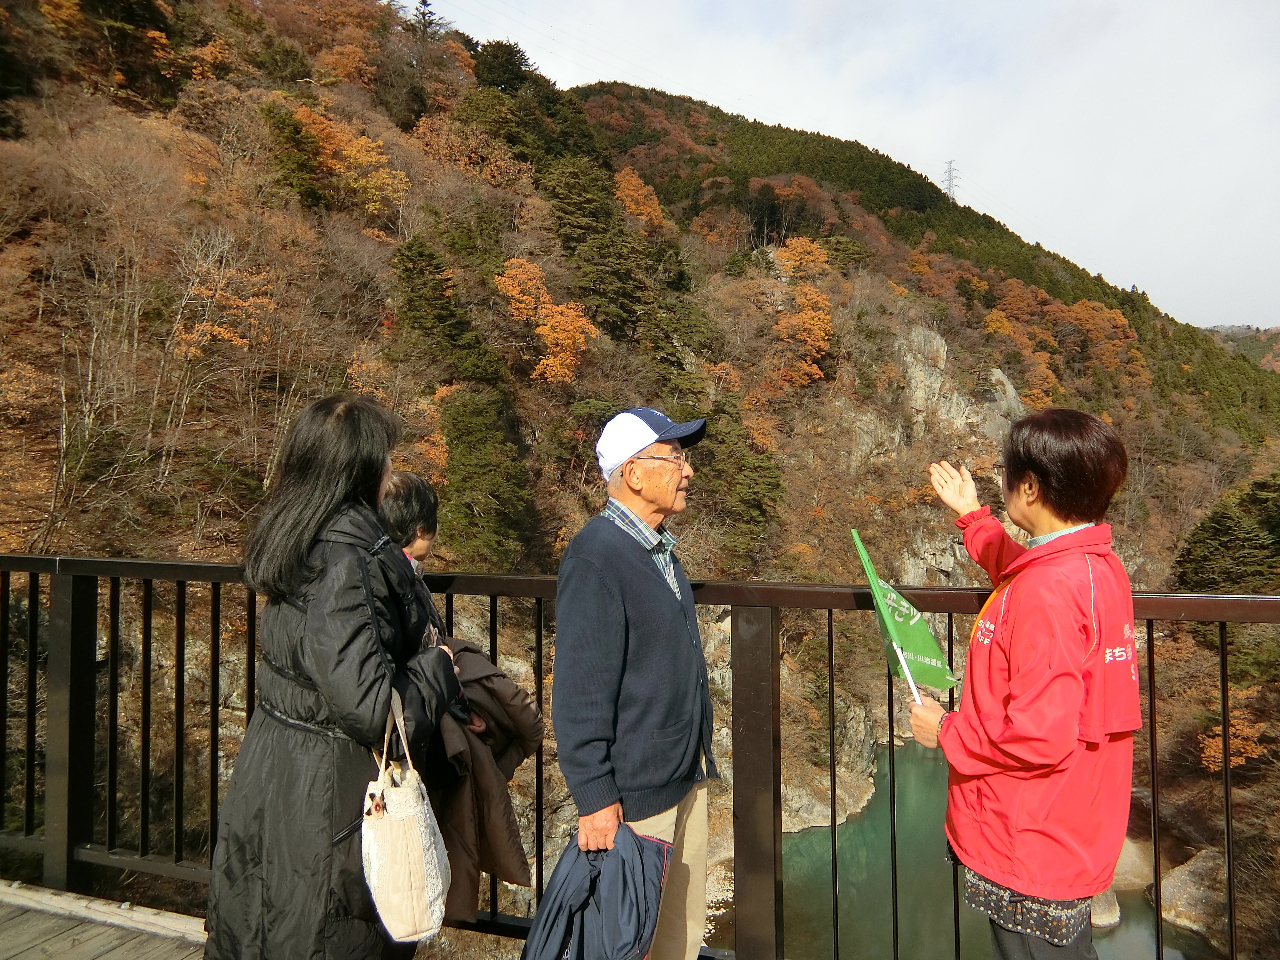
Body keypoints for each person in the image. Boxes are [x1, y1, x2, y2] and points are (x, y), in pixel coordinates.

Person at [205, 395, 464, 960]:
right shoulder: (350, 559)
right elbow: (372, 709)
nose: (393, 473)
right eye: (387, 461)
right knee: (326, 935)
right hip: (333, 797)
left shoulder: (294, 529)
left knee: (264, 927)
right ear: (360, 469)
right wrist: (439, 666)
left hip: (275, 776)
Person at [910, 407, 1142, 960]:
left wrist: (945, 730)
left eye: (1009, 473)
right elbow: (1027, 577)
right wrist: (975, 520)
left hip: (1030, 837)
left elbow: (1039, 734)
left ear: (1031, 487)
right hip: (1070, 823)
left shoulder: (1048, 592)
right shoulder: (1095, 568)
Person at [552, 407, 719, 960]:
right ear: (633, 473)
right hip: (634, 796)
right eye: (674, 458)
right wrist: (595, 796)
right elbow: (580, 686)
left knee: (679, 938)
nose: (687, 471)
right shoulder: (597, 555)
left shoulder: (657, 549)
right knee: (633, 943)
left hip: (678, 777)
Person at [378, 470, 544, 921]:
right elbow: (418, 660)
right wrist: (455, 703)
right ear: (421, 530)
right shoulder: (396, 581)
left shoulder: (376, 570)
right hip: (420, 736)